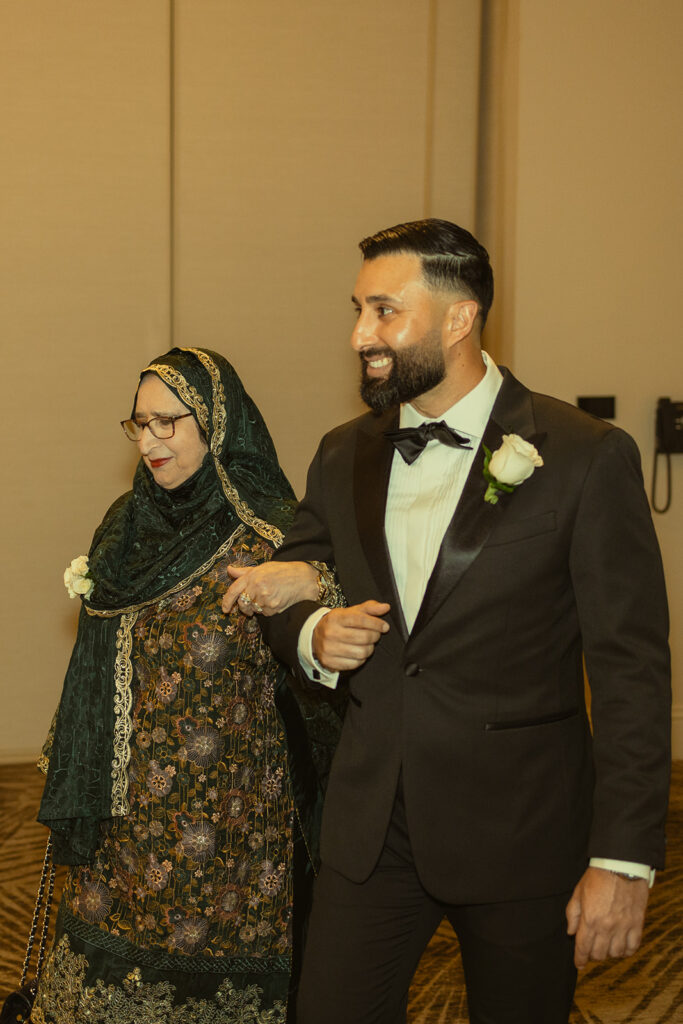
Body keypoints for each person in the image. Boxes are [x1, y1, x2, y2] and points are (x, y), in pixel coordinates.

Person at [225, 220, 671, 1024]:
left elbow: (630, 669)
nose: (361, 334)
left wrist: (623, 857)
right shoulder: (341, 453)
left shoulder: (581, 454)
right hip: (371, 828)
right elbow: (286, 583)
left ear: (458, 319)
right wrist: (312, 638)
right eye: (358, 309)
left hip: (522, 832)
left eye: (385, 311)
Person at [33, 346, 343, 1024]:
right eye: (138, 424)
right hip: (125, 820)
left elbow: (329, 666)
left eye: (167, 423)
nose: (149, 441)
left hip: (233, 828)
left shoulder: (272, 537)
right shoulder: (127, 525)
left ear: (215, 423)